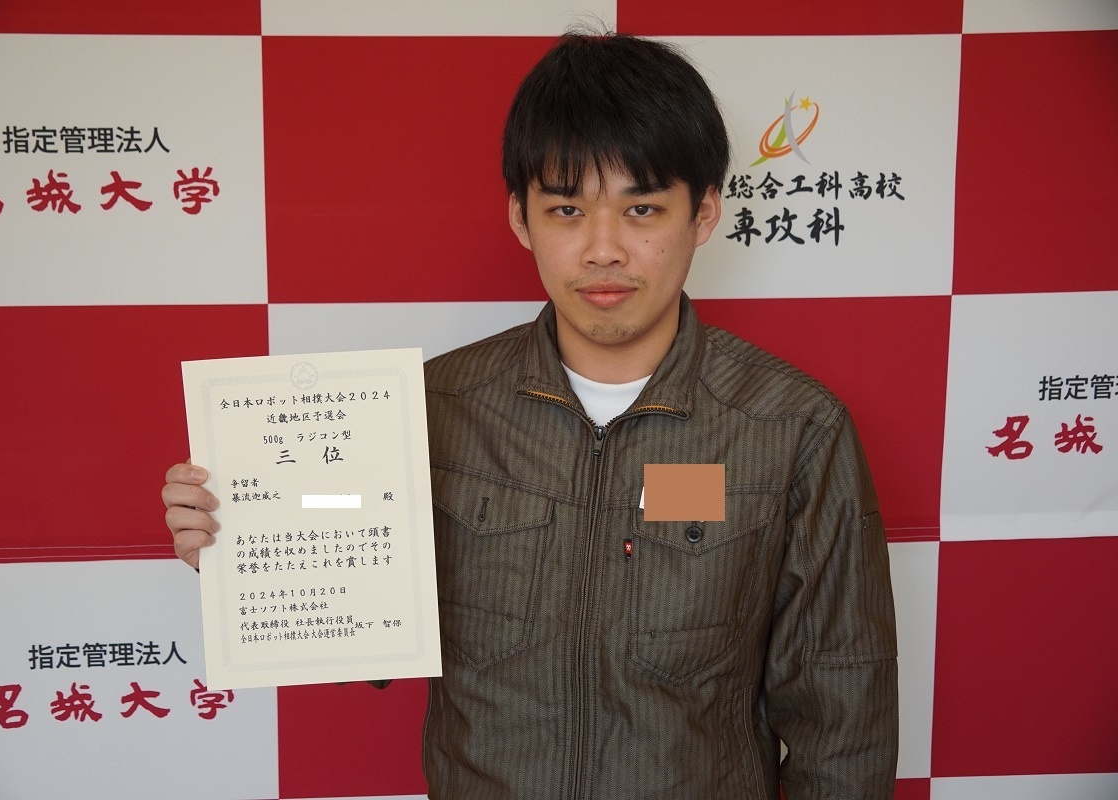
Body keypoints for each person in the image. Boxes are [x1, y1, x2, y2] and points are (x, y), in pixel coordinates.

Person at [164, 31, 898, 799]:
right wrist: (242, 539)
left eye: (642, 208)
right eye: (567, 209)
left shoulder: (792, 429)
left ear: (704, 213)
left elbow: (843, 727)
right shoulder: (433, 411)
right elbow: (366, 631)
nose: (604, 249)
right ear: (521, 217)